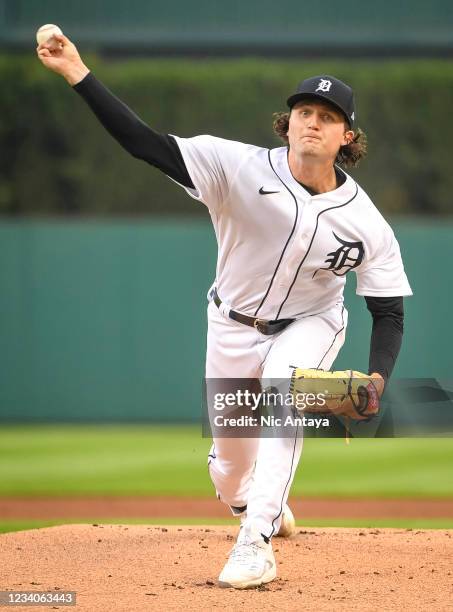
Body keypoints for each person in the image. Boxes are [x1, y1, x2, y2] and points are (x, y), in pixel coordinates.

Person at [37, 36, 412, 589]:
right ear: (286, 123)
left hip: (313, 323)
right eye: (304, 111)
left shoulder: (368, 223)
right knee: (231, 470)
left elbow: (389, 312)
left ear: (346, 137)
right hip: (231, 324)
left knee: (286, 388)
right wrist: (76, 71)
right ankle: (250, 505)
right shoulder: (233, 165)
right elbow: (144, 143)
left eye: (328, 116)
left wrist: (378, 376)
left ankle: (255, 541)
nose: (312, 121)